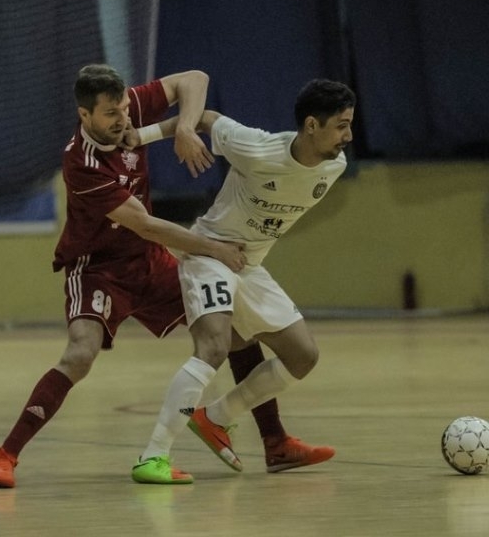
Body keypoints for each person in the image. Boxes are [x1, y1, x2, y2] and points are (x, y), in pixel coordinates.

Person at [0, 64, 327, 488]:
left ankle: (275, 443)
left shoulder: (129, 106)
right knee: (80, 354)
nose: (123, 119)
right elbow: (146, 224)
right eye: (111, 114)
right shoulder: (81, 162)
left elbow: (195, 80)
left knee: (238, 331)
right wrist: (214, 249)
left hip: (149, 262)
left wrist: (184, 127)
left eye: (124, 109)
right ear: (84, 115)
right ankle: (5, 455)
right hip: (99, 270)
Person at [131, 79, 356, 480]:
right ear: (311, 125)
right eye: (341, 125)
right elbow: (204, 118)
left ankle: (215, 418)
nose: (348, 136)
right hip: (208, 252)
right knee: (214, 346)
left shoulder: (333, 167)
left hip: (249, 266)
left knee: (303, 355)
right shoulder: (257, 148)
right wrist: (147, 135)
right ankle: (153, 456)